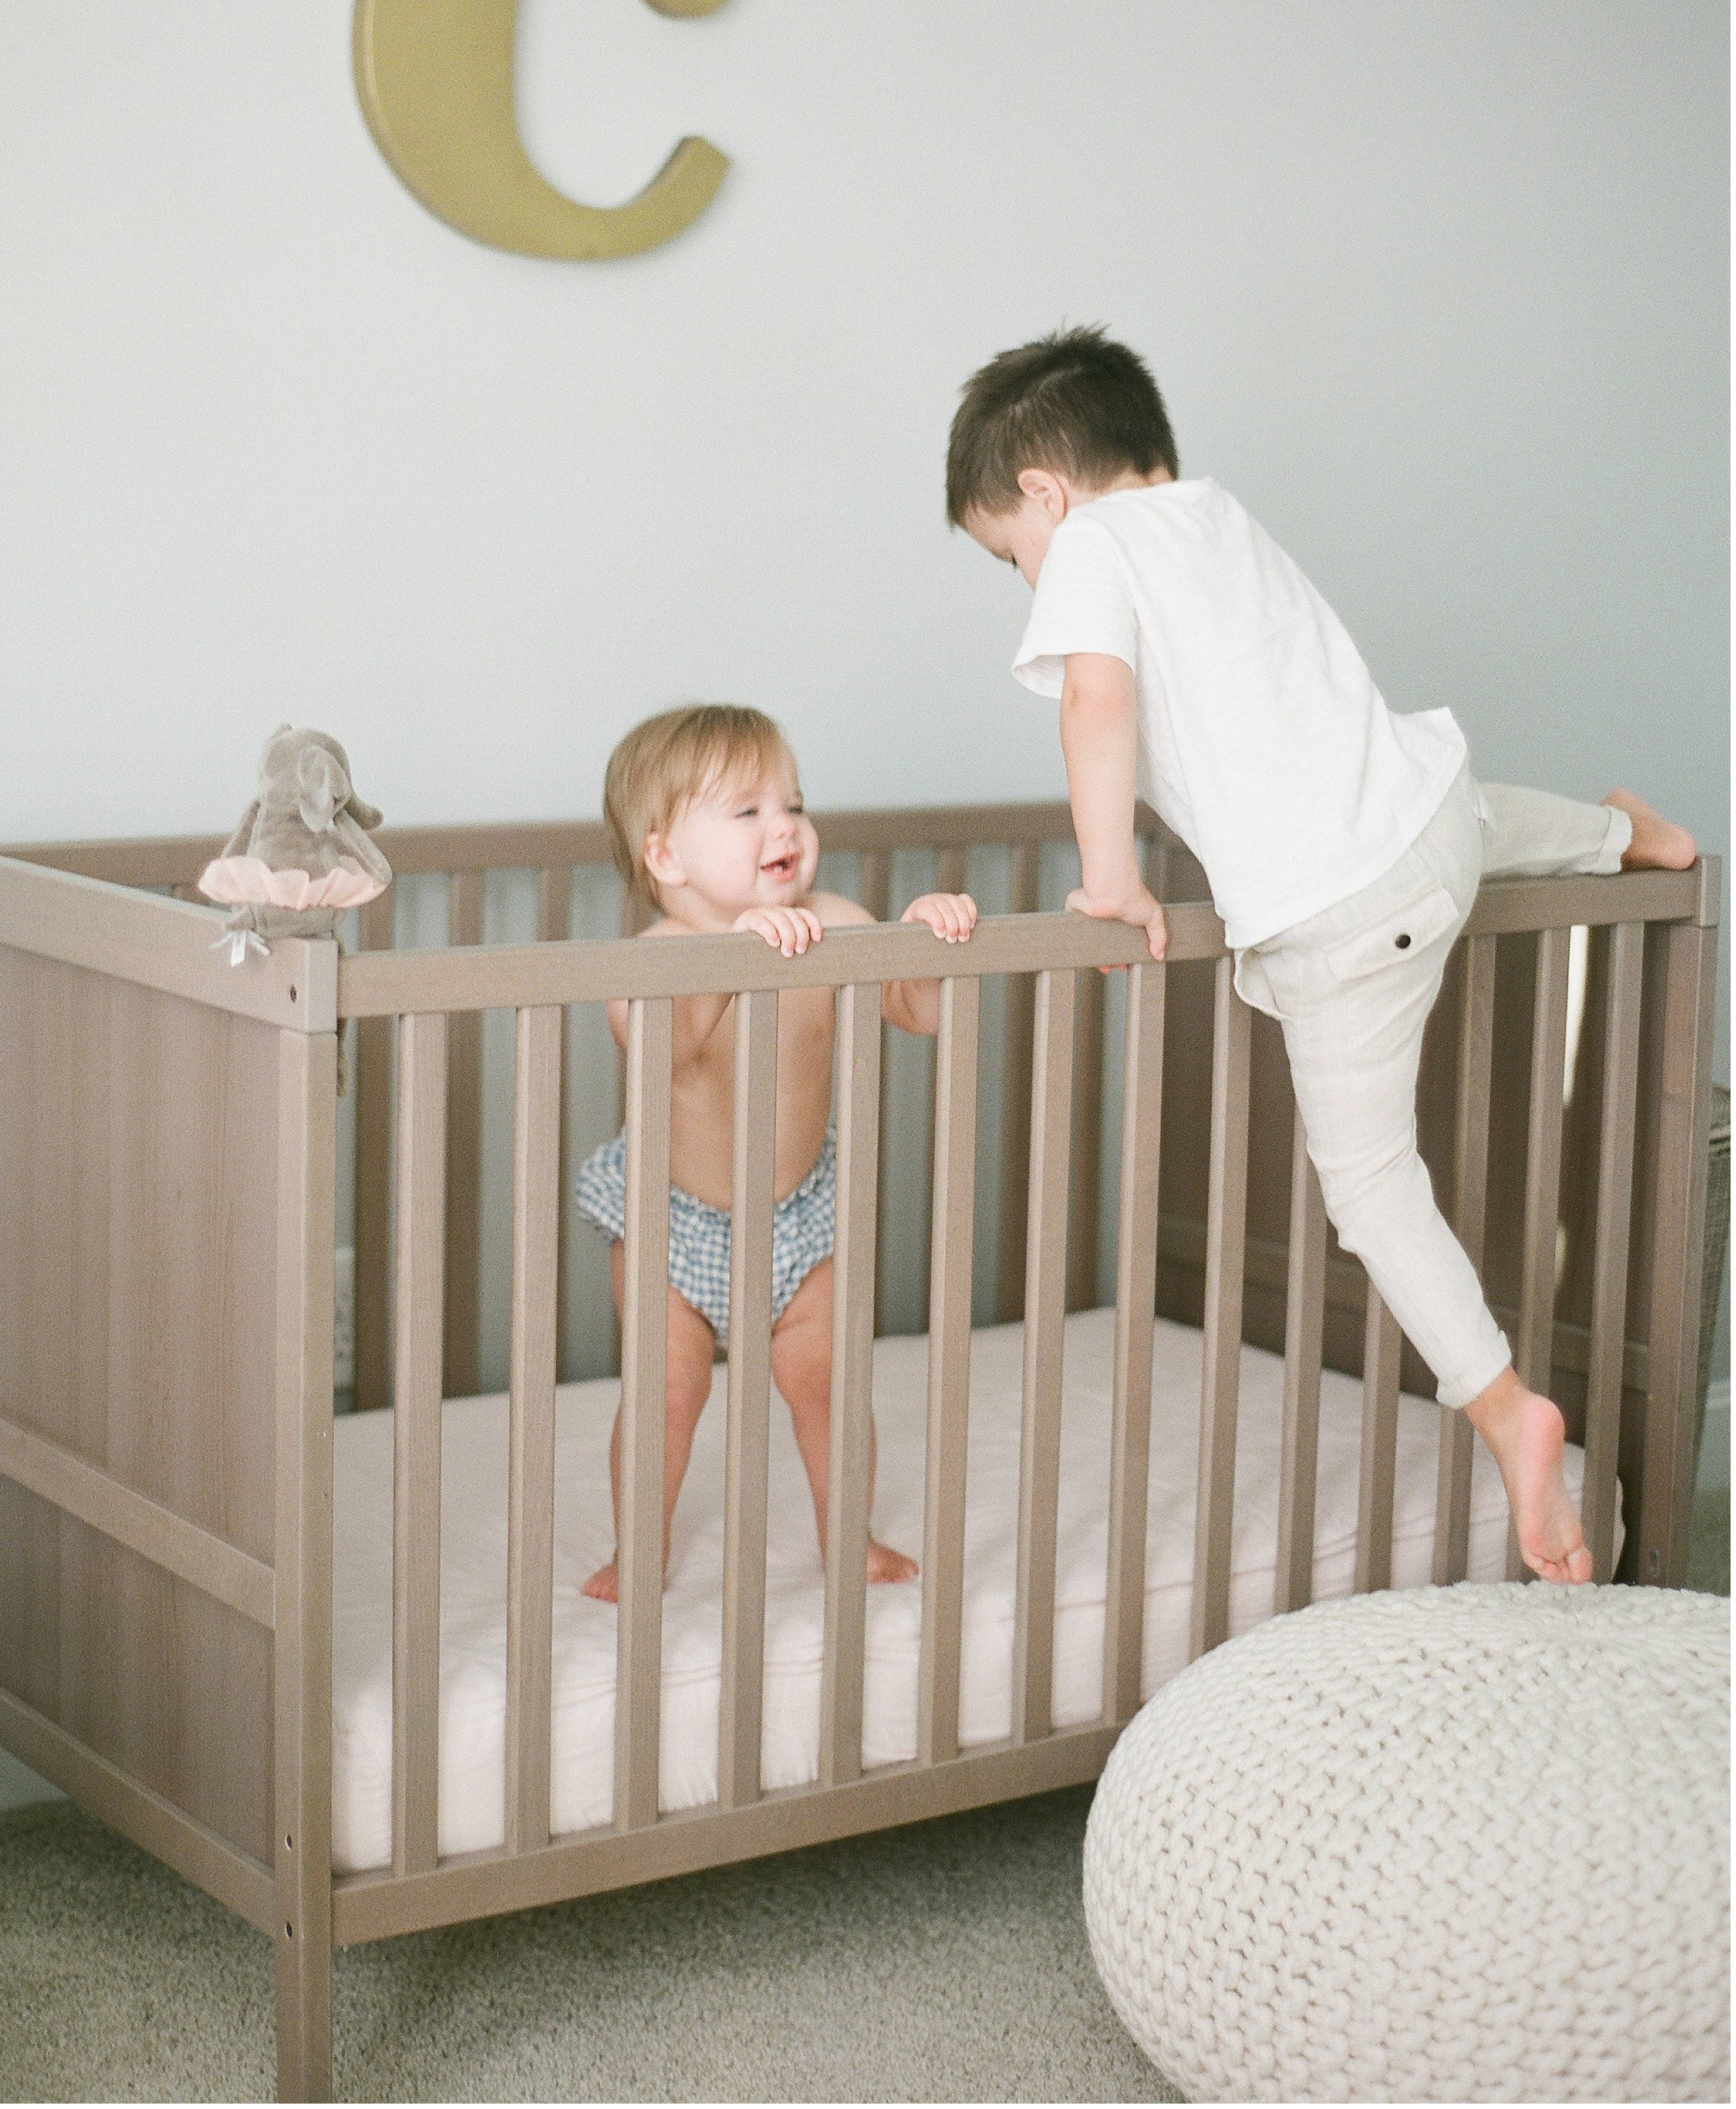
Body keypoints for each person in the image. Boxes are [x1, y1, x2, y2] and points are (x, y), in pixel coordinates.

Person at [946, 326, 1696, 1586]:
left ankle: (1509, 1410)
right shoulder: (1216, 520)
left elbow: (1095, 699)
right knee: (1489, 818)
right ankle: (1632, 833)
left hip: (1347, 912)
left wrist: (1113, 876)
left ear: (1043, 494)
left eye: (1008, 556)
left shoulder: (1089, 545)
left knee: (1369, 1185)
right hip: (1426, 816)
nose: (1028, 578)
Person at [575, 703, 978, 1601]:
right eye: (747, 811)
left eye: (792, 802)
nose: (784, 825)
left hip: (798, 1216)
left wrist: (929, 934)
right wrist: (734, 959)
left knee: (830, 1388)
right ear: (666, 857)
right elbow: (661, 1045)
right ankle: (640, 1545)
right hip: (672, 1223)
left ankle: (851, 1537)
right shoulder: (656, 954)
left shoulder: (834, 918)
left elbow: (919, 1009)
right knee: (667, 1394)